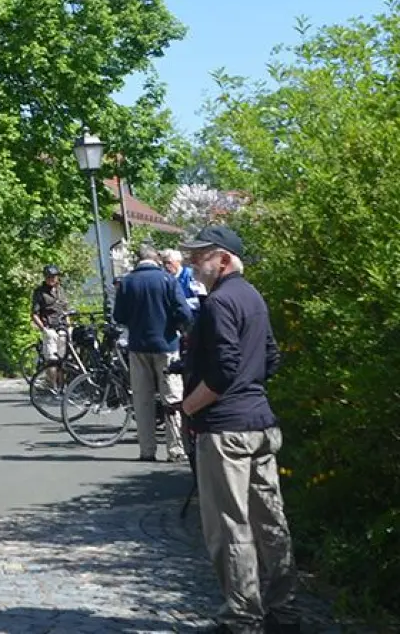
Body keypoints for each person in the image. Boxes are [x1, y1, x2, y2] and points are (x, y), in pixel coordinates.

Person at [179, 225, 299, 634]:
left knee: (230, 527)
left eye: (201, 257)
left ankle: (243, 618)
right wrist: (249, 388)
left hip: (225, 430)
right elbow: (271, 358)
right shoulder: (253, 297)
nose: (194, 265)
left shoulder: (219, 303)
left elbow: (224, 371)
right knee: (270, 522)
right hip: (260, 423)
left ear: (224, 260)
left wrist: (188, 406)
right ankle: (285, 611)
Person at [113, 244, 193, 463]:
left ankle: (147, 449)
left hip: (138, 345)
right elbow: (184, 312)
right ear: (156, 259)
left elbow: (119, 316)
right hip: (166, 344)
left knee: (142, 399)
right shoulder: (167, 280)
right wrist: (176, 326)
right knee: (172, 397)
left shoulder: (128, 282)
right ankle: (175, 448)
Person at [30, 265, 72, 371]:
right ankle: (51, 381)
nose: (52, 279)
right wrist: (44, 330)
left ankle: (61, 381)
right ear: (45, 277)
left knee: (63, 362)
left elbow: (65, 310)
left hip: (63, 329)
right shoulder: (39, 292)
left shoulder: (61, 290)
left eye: (54, 276)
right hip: (50, 328)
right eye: (49, 277)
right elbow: (34, 314)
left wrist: (69, 326)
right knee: (52, 362)